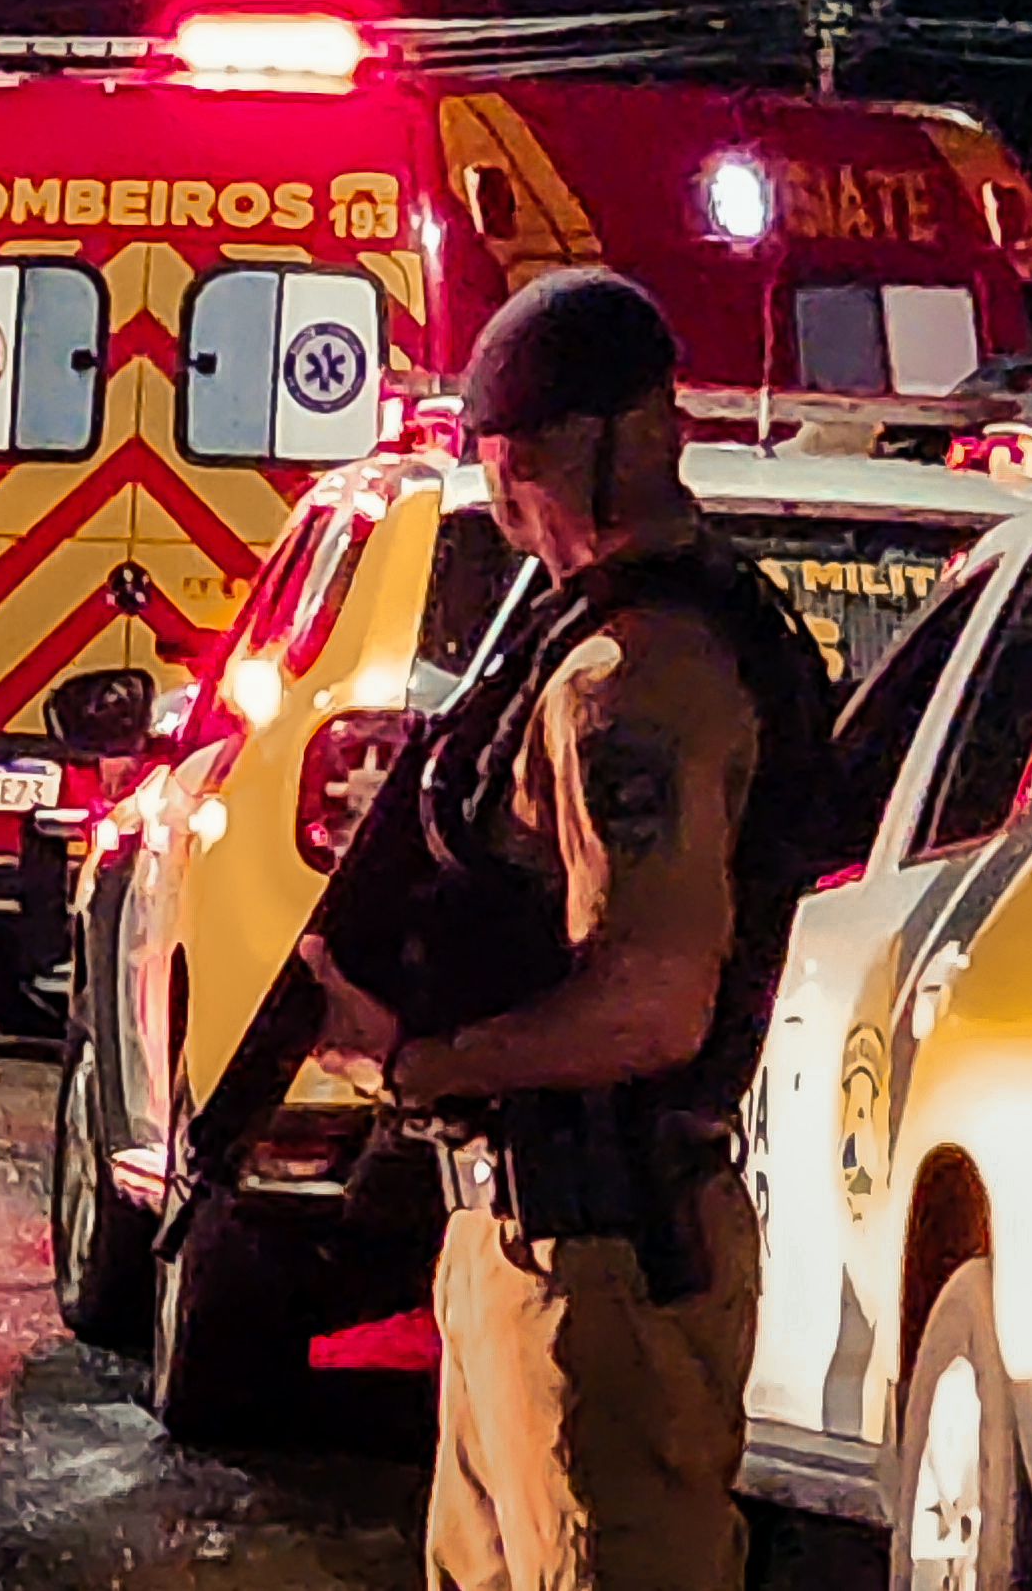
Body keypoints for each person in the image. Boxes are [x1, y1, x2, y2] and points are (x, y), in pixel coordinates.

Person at [301, 270, 840, 1591]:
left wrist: (414, 1065)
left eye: (517, 463)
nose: (506, 502)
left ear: (602, 445)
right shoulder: (597, 642)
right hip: (534, 1247)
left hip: (602, 1267)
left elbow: (652, 1004)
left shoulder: (637, 682)